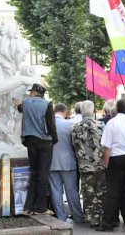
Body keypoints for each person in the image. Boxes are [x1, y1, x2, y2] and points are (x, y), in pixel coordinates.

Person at [97, 99, 125, 232]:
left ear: (116, 108)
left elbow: (106, 146)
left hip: (116, 158)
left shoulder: (112, 123)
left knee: (113, 192)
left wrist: (106, 163)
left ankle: (108, 223)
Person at [18, 83, 58, 215]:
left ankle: (28, 207)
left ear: (35, 92)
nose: (30, 94)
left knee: (34, 173)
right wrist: (54, 139)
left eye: (31, 92)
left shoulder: (26, 103)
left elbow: (19, 108)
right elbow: (51, 124)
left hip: (30, 141)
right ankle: (40, 207)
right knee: (43, 174)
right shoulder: (47, 104)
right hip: (44, 142)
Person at [71, 100, 106, 228]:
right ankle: (101, 217)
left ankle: (91, 218)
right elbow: (105, 144)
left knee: (88, 192)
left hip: (84, 165)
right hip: (100, 163)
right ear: (93, 111)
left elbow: (74, 145)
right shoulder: (101, 125)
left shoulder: (75, 127)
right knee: (101, 191)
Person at [49, 103, 84, 223]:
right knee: (72, 191)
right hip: (68, 163)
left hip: (52, 163)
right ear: (64, 112)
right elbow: (75, 145)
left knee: (56, 191)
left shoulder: (46, 125)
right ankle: (78, 216)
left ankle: (60, 217)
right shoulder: (69, 125)